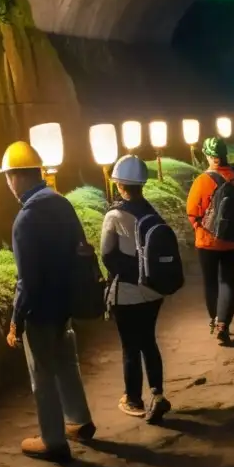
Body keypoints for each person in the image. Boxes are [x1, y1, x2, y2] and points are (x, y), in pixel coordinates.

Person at [0, 141, 95, 463]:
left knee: (42, 374)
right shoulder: (61, 202)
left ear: (19, 177)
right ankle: (79, 421)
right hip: (65, 302)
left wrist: (16, 319)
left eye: (8, 176)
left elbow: (26, 279)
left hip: (40, 309)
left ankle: (53, 440)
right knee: (67, 363)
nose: (8, 184)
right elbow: (80, 248)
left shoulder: (25, 219)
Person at [101, 155, 172, 423]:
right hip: (153, 291)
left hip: (128, 294)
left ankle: (133, 399)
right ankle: (158, 394)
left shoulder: (115, 215)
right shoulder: (151, 212)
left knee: (130, 346)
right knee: (149, 342)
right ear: (142, 184)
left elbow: (107, 257)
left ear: (119, 185)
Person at [187, 136, 234, 345]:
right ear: (224, 155)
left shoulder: (202, 180)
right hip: (231, 240)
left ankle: (214, 320)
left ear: (208, 156)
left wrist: (199, 228)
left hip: (207, 240)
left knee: (210, 282)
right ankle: (224, 324)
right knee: (228, 281)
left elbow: (192, 211)